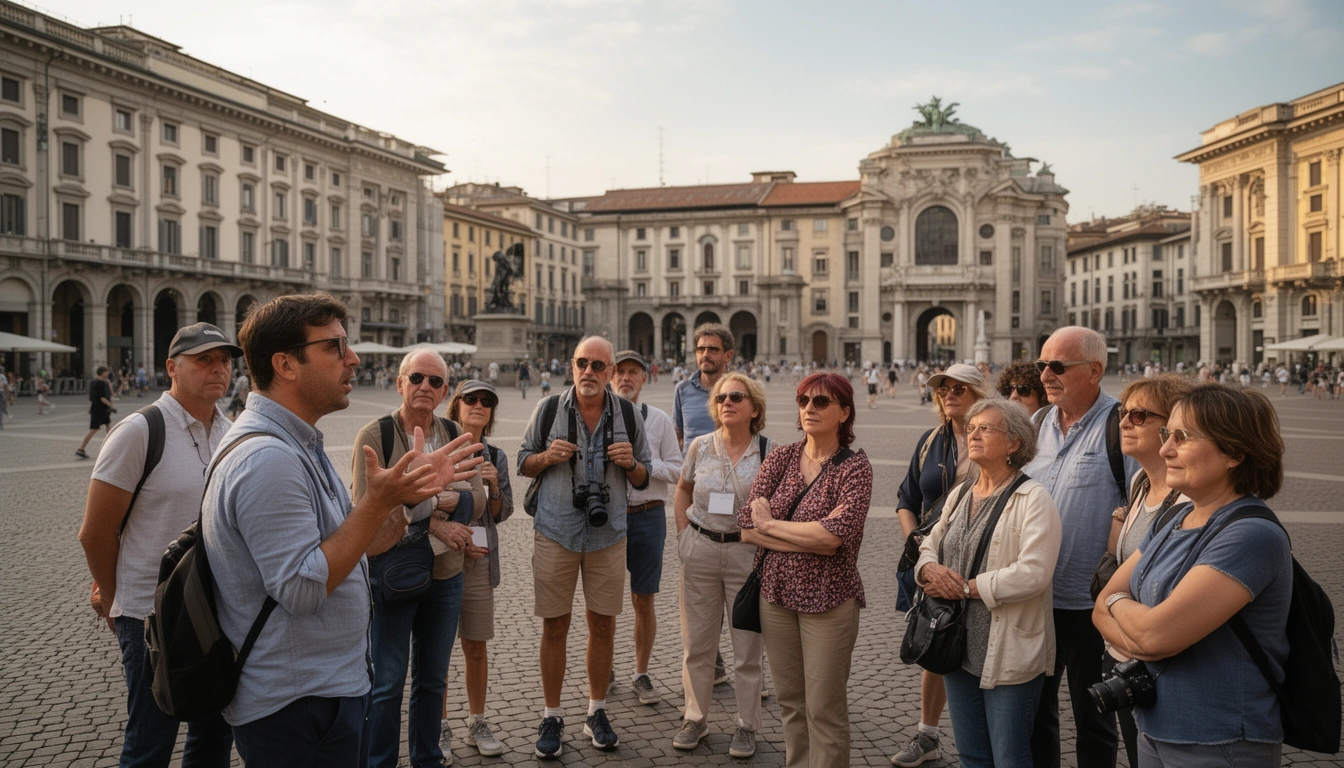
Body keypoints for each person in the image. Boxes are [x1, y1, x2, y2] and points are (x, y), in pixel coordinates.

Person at [203, 294, 482, 767]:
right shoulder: (266, 460)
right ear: (286, 364)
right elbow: (302, 587)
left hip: (322, 695)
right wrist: (379, 501)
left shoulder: (300, 444)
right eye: (335, 347)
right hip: (296, 708)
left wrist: (402, 499)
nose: (352, 359)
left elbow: (360, 543)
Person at [1094, 384, 1289, 767]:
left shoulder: (1249, 534)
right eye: (1167, 435)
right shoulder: (1175, 517)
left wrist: (1120, 607)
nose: (1166, 449)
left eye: (1181, 438)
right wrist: (1131, 619)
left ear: (1234, 451)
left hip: (1219, 740)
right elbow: (1099, 608)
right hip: (1154, 727)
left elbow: (1151, 634)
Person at [77, 323, 243, 768]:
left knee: (213, 737)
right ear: (172, 367)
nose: (218, 369)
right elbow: (95, 533)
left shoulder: (235, 431)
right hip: (150, 614)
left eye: (225, 360)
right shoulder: (139, 431)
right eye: (204, 359)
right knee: (150, 740)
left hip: (218, 610)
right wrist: (115, 599)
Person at [517, 335, 651, 758]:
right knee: (554, 626)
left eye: (598, 366)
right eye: (582, 364)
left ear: (611, 373)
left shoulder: (627, 414)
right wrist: (546, 458)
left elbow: (645, 478)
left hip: (608, 534)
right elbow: (523, 460)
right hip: (555, 530)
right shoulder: (549, 410)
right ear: (571, 366)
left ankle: (596, 710)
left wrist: (631, 464)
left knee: (603, 626)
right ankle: (552, 714)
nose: (589, 372)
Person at [353, 348, 487, 768]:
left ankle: (428, 759)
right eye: (416, 379)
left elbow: (478, 498)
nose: (425, 387)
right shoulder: (376, 436)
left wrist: (430, 501)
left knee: (432, 680)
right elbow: (365, 510)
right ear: (399, 383)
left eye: (434, 381)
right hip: (392, 572)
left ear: (445, 389)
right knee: (388, 683)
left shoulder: (453, 432)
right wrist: (435, 517)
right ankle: (380, 762)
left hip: (447, 573)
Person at [915, 399, 1061, 768]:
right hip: (957, 645)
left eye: (986, 428)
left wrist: (966, 588)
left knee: (1010, 758)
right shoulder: (963, 491)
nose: (974, 434)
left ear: (1014, 443)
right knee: (972, 755)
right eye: (972, 428)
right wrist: (928, 570)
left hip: (1008, 648)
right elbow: (930, 544)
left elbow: (1034, 572)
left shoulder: (1034, 498)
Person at [740, 372, 873, 767]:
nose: (810, 409)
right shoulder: (781, 457)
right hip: (775, 596)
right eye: (804, 401)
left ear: (844, 412)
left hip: (829, 601)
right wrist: (794, 534)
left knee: (824, 709)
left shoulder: (855, 469)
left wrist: (770, 525)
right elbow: (747, 529)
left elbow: (833, 537)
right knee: (791, 704)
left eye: (821, 402)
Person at [1025, 327, 1139, 768]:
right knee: (1036, 714)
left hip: (1094, 605)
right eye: (1042, 365)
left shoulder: (1123, 426)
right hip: (1035, 599)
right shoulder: (1036, 424)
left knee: (1095, 718)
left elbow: (1142, 507)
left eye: (1058, 366)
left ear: (1094, 370)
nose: (1046, 375)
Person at [891, 363, 993, 767]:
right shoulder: (929, 441)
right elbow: (905, 498)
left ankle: (986, 732)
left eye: (959, 389)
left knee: (983, 644)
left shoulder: (998, 441)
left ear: (979, 395)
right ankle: (927, 734)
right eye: (943, 389)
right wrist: (915, 542)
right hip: (934, 563)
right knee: (936, 644)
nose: (949, 394)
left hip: (982, 562)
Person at [673, 372, 774, 758]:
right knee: (697, 644)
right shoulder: (699, 446)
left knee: (748, 647)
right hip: (699, 549)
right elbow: (682, 490)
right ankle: (695, 717)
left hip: (746, 555)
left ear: (754, 408)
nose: (727, 403)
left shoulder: (769, 451)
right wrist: (683, 536)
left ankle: (747, 725)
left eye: (736, 397)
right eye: (720, 398)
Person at [1101, 374, 1194, 767]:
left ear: (1172, 426)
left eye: (1138, 415)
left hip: (1161, 666)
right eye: (1123, 413)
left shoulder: (1189, 499)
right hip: (1122, 656)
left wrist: (1112, 606)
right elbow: (1118, 565)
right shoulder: (1140, 481)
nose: (1123, 422)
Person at [442, 379, 512, 757]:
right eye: (471, 399)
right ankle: (440, 728)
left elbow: (501, 514)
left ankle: (476, 721)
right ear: (457, 405)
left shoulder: (495, 455)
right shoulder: (442, 448)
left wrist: (495, 486)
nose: (479, 406)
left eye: (487, 401)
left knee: (476, 646)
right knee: (438, 649)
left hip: (480, 561)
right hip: (442, 557)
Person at [610, 350, 683, 705]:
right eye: (620, 372)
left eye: (633, 372)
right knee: (604, 601)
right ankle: (604, 670)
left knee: (644, 599)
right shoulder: (598, 421)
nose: (626, 378)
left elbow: (677, 470)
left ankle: (641, 673)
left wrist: (642, 466)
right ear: (611, 377)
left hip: (649, 515)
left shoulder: (659, 420)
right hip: (609, 518)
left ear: (644, 378)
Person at [673, 323, 735, 450]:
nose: (705, 355)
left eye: (713, 349)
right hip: (693, 468)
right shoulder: (682, 389)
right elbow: (677, 434)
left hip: (729, 467)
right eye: (701, 349)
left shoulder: (741, 391)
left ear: (728, 355)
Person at [77, 366, 116, 458]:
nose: (108, 373)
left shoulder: (93, 382)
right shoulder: (102, 383)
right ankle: (81, 448)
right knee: (94, 429)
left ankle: (112, 447)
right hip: (101, 408)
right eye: (106, 372)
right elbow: (102, 398)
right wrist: (111, 406)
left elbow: (93, 397)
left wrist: (90, 407)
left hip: (97, 408)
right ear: (102, 372)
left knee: (108, 426)